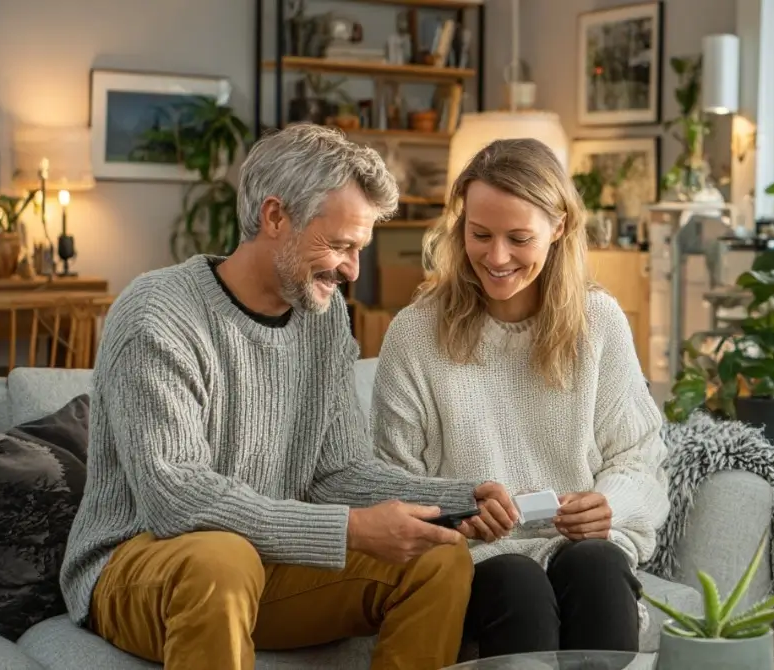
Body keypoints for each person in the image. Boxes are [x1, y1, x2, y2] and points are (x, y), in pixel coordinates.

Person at [59, 124, 517, 670]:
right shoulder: (158, 314)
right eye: (340, 245)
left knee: (439, 558)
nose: (351, 270)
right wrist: (349, 529)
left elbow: (337, 471)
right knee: (221, 558)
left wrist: (457, 501)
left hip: (264, 561)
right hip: (140, 564)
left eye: (359, 249)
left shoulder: (322, 319)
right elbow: (174, 498)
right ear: (276, 217)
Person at [371, 138, 670, 659]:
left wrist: (609, 506)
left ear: (559, 228)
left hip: (580, 549)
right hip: (474, 559)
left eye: (519, 238)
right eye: (480, 234)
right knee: (519, 582)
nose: (497, 257)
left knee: (598, 565)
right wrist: (461, 512)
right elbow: (392, 485)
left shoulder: (599, 323)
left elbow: (639, 459)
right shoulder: (415, 334)